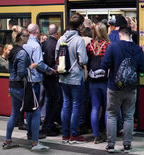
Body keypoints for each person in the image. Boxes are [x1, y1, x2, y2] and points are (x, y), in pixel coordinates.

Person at [102, 26, 144, 153]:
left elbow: (104, 65)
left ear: (120, 35)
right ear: (131, 36)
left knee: (112, 115)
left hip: (114, 87)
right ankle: (127, 145)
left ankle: (111, 145)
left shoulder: (113, 47)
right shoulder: (138, 49)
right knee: (129, 116)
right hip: (131, 88)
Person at [3, 26, 50, 151]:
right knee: (35, 113)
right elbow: (22, 73)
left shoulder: (13, 50)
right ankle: (35, 144)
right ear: (20, 38)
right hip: (22, 87)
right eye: (26, 35)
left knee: (15, 113)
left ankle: (7, 141)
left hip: (12, 86)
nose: (28, 37)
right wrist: (32, 66)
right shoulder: (22, 53)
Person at [55, 13, 88, 144]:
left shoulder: (60, 38)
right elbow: (84, 59)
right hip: (75, 77)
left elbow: (56, 58)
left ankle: (65, 135)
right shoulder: (79, 40)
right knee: (76, 105)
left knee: (66, 104)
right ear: (80, 26)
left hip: (63, 77)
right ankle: (74, 135)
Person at [23, 23, 55, 139]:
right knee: (34, 109)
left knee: (30, 108)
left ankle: (29, 132)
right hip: (35, 80)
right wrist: (49, 70)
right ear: (37, 31)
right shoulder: (36, 46)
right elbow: (39, 63)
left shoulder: (25, 44)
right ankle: (33, 134)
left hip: (27, 79)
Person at [86, 22, 110, 144]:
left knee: (95, 107)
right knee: (107, 108)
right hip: (105, 80)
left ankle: (96, 136)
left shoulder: (89, 45)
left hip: (92, 80)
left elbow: (86, 61)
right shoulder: (108, 45)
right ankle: (107, 134)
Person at [41, 24, 62, 136]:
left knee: (49, 101)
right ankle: (48, 126)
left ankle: (48, 124)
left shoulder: (43, 44)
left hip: (45, 76)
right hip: (53, 77)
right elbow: (55, 62)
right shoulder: (56, 44)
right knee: (54, 101)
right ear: (57, 33)